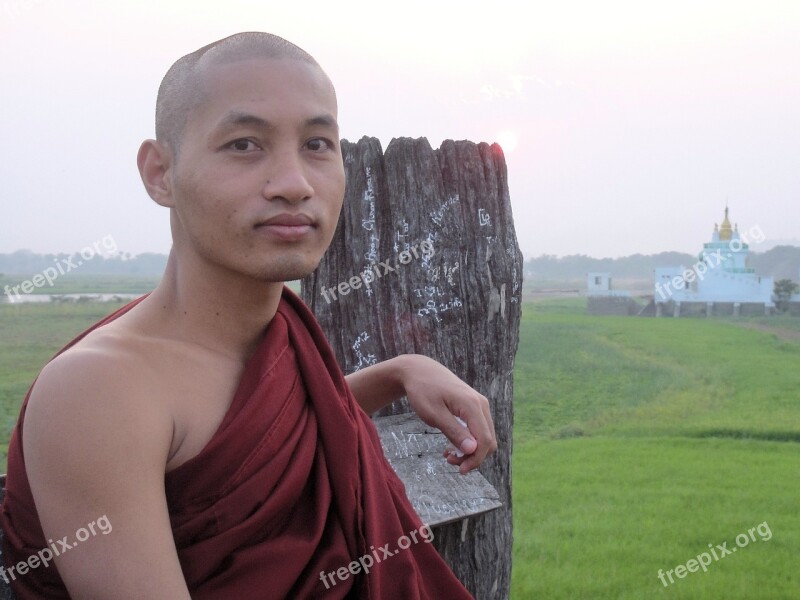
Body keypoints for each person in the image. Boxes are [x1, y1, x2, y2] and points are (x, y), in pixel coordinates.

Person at [1, 32, 496, 599]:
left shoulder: (275, 333)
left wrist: (400, 370)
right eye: (243, 144)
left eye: (317, 144)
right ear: (160, 173)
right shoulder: (99, 391)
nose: (293, 184)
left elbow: (274, 442)